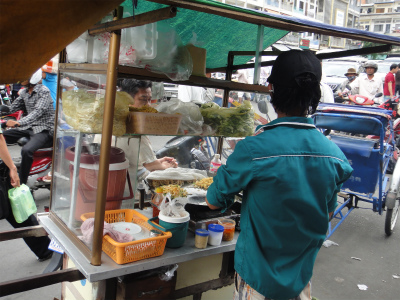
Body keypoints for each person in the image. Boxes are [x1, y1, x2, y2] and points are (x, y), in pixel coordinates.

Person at [205, 50, 353, 300]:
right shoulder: (334, 155)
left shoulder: (255, 148)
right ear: (314, 93)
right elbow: (326, 214)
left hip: (257, 280)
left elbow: (212, 200)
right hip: (300, 281)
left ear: (271, 89)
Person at [1, 122, 53, 261]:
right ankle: (45, 249)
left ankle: (45, 249)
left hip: (42, 129)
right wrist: (12, 168)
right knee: (19, 212)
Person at [111, 79, 178, 180]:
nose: (148, 105)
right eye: (143, 99)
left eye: (149, 100)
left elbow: (144, 163)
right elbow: (149, 167)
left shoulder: (122, 121)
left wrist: (159, 162)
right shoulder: (131, 129)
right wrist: (167, 166)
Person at [3, 69, 55, 185]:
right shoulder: (24, 92)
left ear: (32, 78)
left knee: (27, 150)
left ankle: (22, 181)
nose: (20, 79)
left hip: (44, 129)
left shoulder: (43, 91)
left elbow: (38, 111)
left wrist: (19, 122)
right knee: (3, 136)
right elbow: (12, 108)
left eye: (24, 76)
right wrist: (3, 110)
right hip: (29, 127)